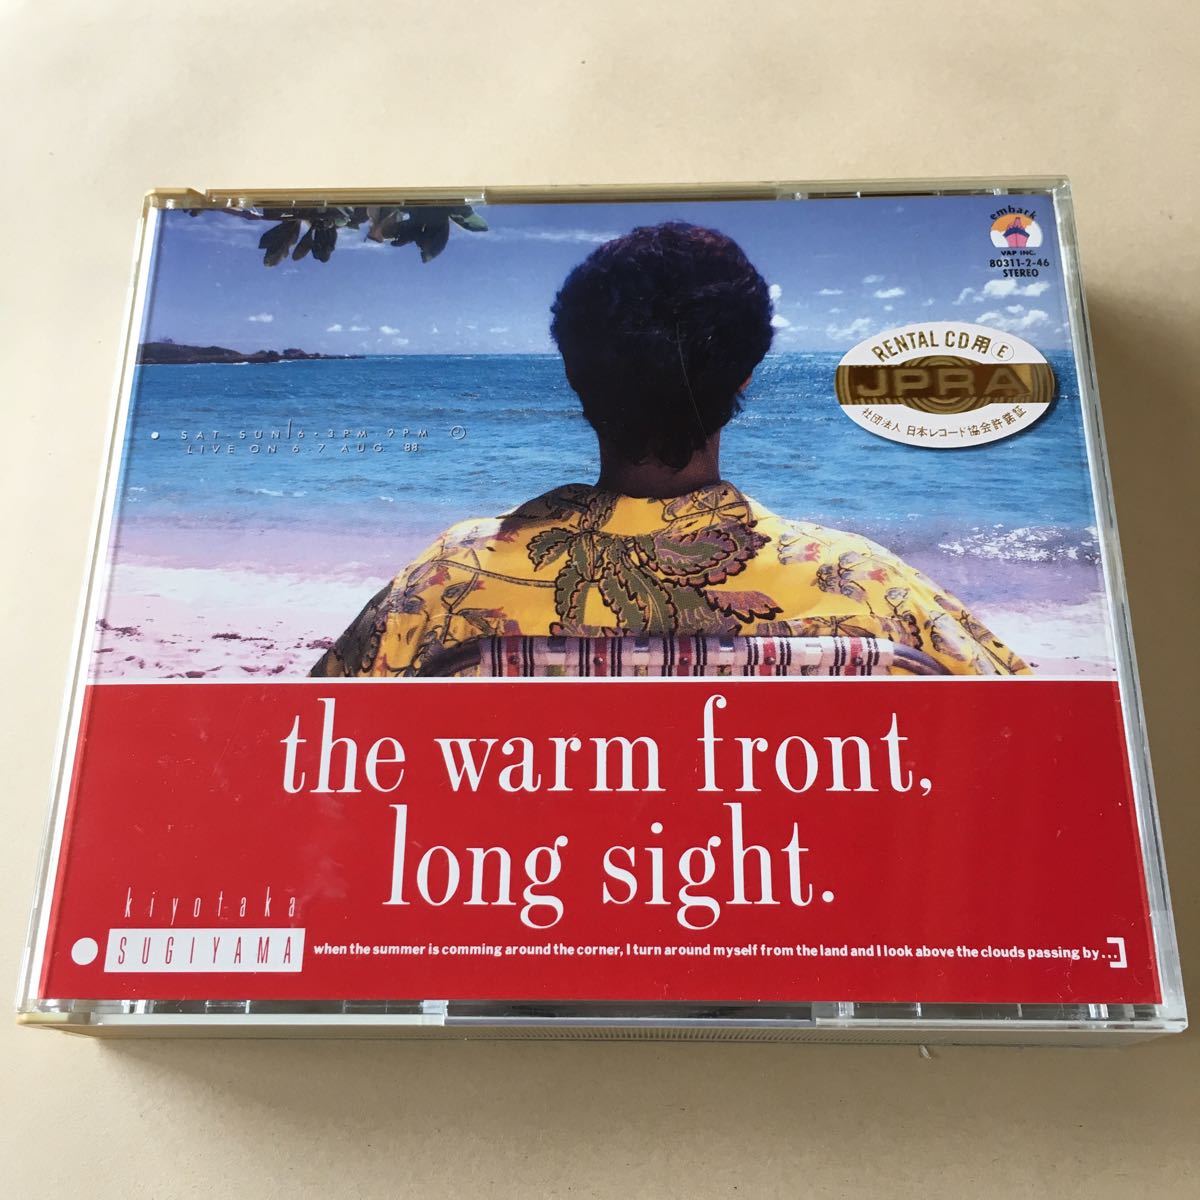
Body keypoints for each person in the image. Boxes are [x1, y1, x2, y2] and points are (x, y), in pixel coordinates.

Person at [311, 222, 1029, 677]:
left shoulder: (447, 582)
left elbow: (312, 758)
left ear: (574, 374)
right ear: (746, 374)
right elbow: (1042, 753)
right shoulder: (869, 591)